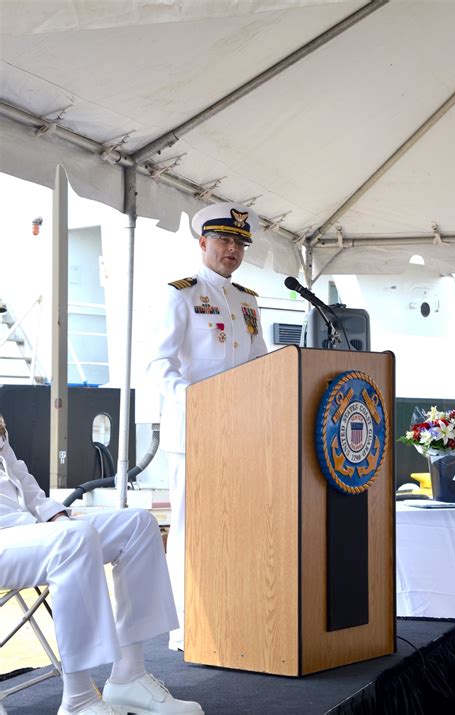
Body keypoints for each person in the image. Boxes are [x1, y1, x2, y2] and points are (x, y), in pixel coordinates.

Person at [0, 416, 204, 715]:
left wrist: (56, 515)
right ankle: (79, 700)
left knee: (137, 524)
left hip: (24, 529)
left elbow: (18, 475)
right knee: (74, 539)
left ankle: (129, 675)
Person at [147, 202, 268, 651]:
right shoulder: (180, 293)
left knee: (239, 525)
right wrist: (196, 401)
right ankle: (187, 625)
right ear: (203, 243)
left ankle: (231, 612)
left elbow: (260, 366)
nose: (231, 249)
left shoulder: (248, 302)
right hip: (195, 434)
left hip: (242, 438)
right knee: (191, 531)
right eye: (223, 240)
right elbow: (157, 365)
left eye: (239, 242)